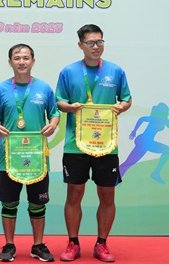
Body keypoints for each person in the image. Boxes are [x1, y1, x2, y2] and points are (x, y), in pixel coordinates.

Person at [55, 24, 131, 263]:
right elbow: (59, 102)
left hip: (107, 144)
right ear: (80, 45)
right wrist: (70, 107)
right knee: (74, 193)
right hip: (75, 144)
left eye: (99, 42)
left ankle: (102, 243)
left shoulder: (115, 71)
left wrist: (121, 107)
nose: (96, 47)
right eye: (90, 43)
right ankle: (73, 243)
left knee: (107, 195)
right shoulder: (68, 71)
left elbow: (126, 99)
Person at [0, 44, 60, 263]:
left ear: (33, 61)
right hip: (9, 158)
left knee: (38, 203)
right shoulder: (1, 89)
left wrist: (53, 124)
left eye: (26, 58)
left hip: (37, 158)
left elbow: (54, 113)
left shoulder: (44, 88)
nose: (21, 62)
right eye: (17, 58)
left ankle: (38, 245)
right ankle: (9, 245)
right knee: (9, 203)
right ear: (10, 62)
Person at [119, 102, 169, 184]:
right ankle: (113, 178)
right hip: (144, 141)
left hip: (148, 142)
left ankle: (156, 173)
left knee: (167, 151)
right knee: (129, 163)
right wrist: (134, 131)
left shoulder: (163, 119)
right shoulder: (157, 118)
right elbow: (142, 119)